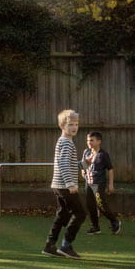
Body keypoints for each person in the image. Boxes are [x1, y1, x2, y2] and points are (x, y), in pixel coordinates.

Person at [44, 109, 84, 259]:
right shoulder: (66, 143)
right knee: (80, 213)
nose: (74, 127)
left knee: (63, 214)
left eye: (76, 124)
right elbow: (63, 164)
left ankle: (49, 245)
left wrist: (83, 164)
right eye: (70, 124)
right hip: (64, 185)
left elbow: (70, 164)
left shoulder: (64, 141)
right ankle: (66, 246)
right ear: (62, 125)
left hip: (58, 184)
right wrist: (70, 183)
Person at [81, 131, 121, 235]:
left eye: (91, 140)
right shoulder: (86, 152)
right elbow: (83, 165)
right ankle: (95, 227)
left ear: (99, 141)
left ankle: (114, 221)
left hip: (99, 183)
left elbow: (110, 169)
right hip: (88, 183)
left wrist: (111, 185)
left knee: (100, 204)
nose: (89, 142)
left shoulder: (103, 155)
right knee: (90, 205)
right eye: (88, 140)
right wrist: (83, 171)